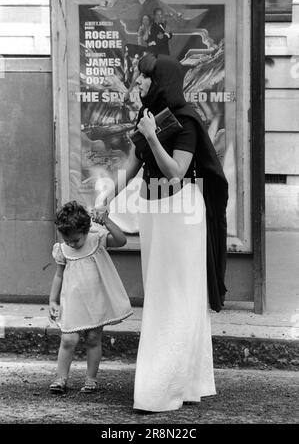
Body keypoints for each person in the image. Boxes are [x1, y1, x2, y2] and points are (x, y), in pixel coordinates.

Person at [95, 53, 228, 412]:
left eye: (143, 80)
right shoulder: (146, 117)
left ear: (161, 83)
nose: (137, 84)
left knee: (176, 294)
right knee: (162, 291)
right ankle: (185, 381)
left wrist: (153, 137)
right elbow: (133, 164)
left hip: (180, 213)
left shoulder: (185, 120)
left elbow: (176, 172)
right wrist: (107, 197)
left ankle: (162, 388)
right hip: (153, 211)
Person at [49, 201, 132, 394]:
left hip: (96, 300)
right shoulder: (63, 249)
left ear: (86, 230)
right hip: (72, 301)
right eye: (67, 239)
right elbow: (59, 275)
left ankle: (91, 379)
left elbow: (121, 241)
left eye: (76, 240)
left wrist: (106, 221)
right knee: (68, 339)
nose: (71, 244)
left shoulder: (97, 239)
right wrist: (53, 300)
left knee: (94, 338)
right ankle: (61, 378)